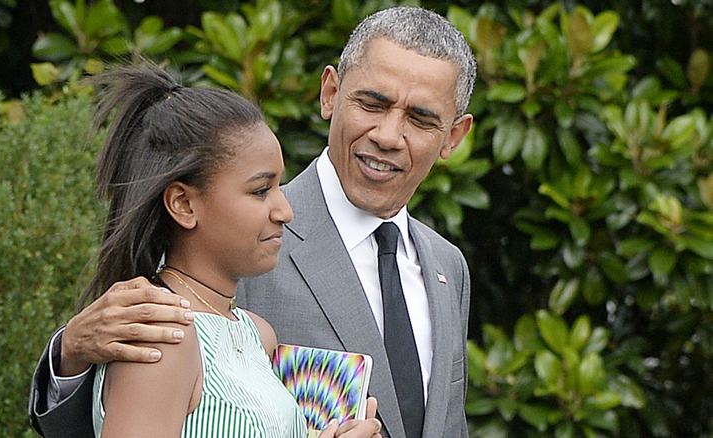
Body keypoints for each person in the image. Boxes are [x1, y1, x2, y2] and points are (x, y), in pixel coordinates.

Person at [30, 6, 476, 438]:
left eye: (419, 119)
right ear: (330, 93)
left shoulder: (447, 268)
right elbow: (127, 386)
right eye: (373, 104)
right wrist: (68, 354)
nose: (387, 135)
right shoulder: (231, 240)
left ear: (452, 137)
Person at [32, 61, 382, 438]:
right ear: (183, 204)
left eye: (279, 186)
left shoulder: (256, 334)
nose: (285, 211)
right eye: (260, 190)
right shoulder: (163, 337)